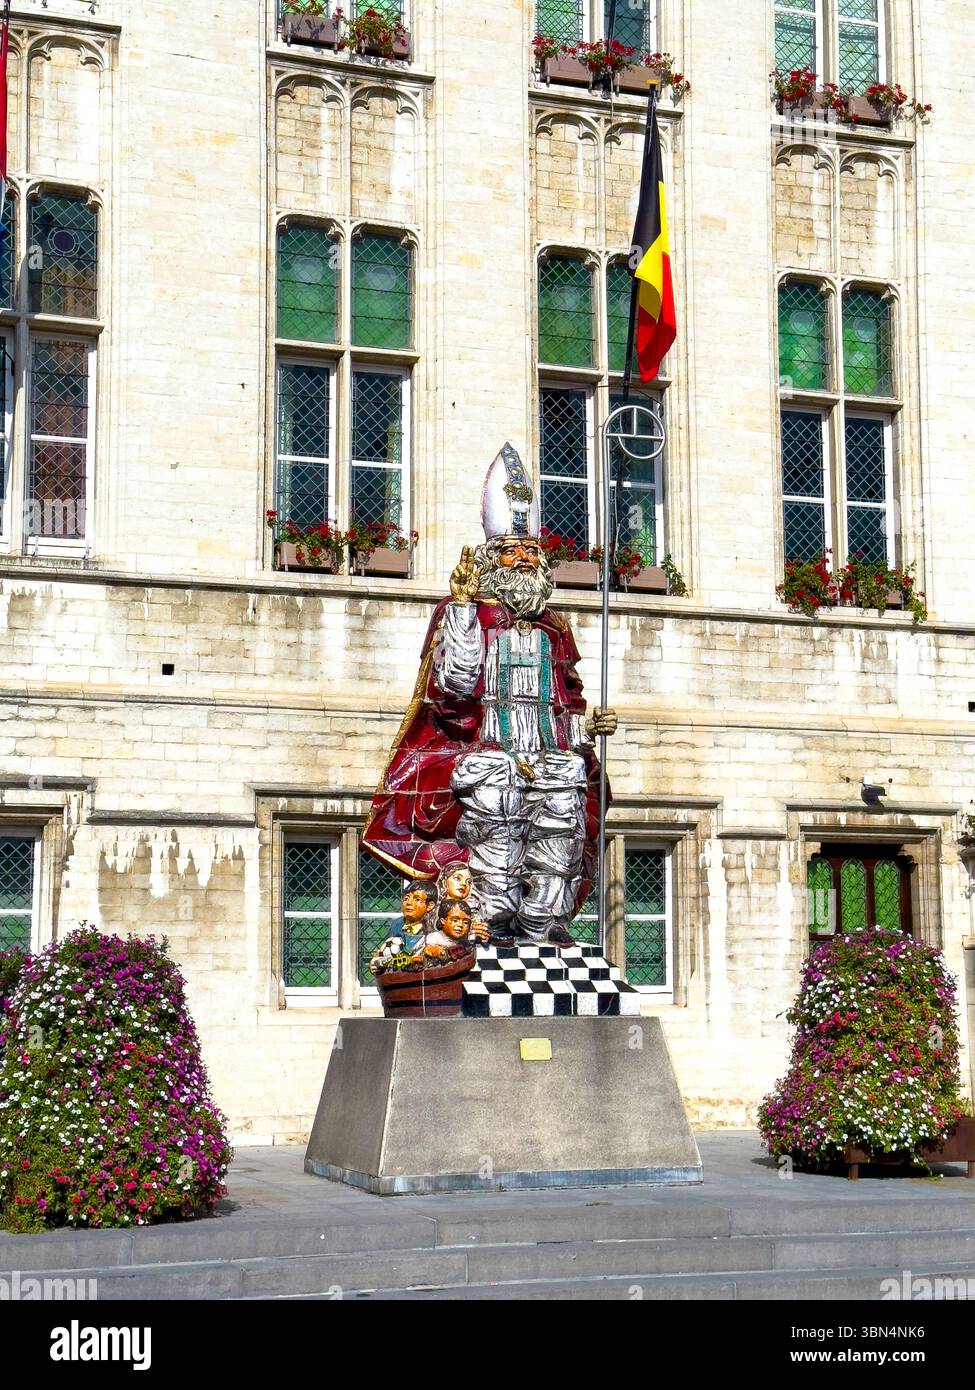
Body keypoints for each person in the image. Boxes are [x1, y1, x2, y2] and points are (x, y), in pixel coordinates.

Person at [363, 443, 617, 945]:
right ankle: (490, 927)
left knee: (563, 825)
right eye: (512, 551)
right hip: (488, 750)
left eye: (530, 552)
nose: (522, 559)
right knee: (498, 810)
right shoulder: (469, 613)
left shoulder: (554, 627)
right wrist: (459, 610)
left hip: (549, 753)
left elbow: (566, 702)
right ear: (493, 558)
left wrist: (588, 729)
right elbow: (453, 691)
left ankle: (544, 927)